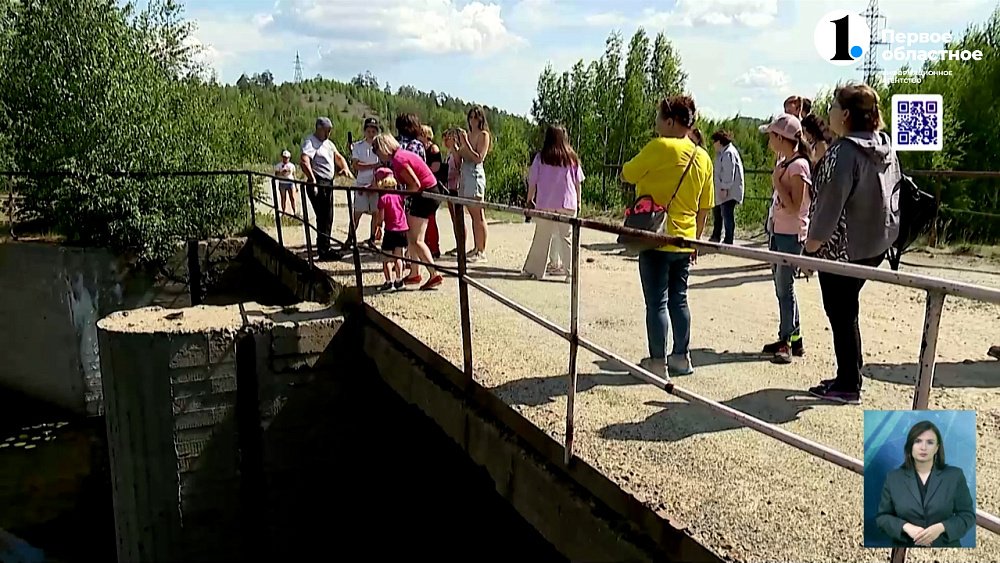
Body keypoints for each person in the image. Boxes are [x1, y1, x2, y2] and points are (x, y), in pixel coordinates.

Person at [804, 83, 901, 405]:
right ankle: (850, 375)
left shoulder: (844, 151)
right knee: (848, 309)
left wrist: (811, 248)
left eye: (833, 105)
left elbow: (830, 204)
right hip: (875, 243)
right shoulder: (884, 145)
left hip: (843, 248)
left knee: (840, 311)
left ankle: (848, 383)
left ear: (845, 114)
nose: (829, 110)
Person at [621, 95, 714, 378]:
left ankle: (656, 362)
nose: (656, 123)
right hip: (685, 240)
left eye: (659, 118)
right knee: (679, 299)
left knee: (656, 302)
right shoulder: (703, 156)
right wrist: (696, 240)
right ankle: (680, 357)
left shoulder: (660, 147)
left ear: (671, 121)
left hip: (656, 236)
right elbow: (705, 207)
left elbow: (627, 173)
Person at [759, 114, 812, 363]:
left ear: (781, 138)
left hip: (791, 233)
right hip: (779, 230)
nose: (769, 140)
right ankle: (793, 338)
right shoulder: (786, 162)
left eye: (772, 135)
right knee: (782, 288)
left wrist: (777, 183)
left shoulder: (799, 167)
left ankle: (787, 341)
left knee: (785, 288)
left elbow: (795, 206)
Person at [875, 420, 976, 548]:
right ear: (910, 446)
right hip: (906, 547)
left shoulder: (954, 476)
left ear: (937, 448)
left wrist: (941, 527)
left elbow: (967, 516)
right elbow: (882, 518)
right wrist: (906, 527)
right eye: (918, 441)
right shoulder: (893, 478)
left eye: (930, 442)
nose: (923, 447)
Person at [371, 133, 443, 290]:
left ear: (383, 148)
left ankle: (434, 273)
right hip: (428, 193)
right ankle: (414, 273)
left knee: (416, 239)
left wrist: (399, 198)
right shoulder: (401, 155)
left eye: (377, 151)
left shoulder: (399, 160)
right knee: (411, 236)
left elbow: (415, 185)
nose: (378, 155)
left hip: (425, 195)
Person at [521, 124, 583, 280]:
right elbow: (577, 183)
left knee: (542, 237)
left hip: (546, 203)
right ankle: (572, 274)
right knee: (567, 238)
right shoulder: (572, 158)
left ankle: (535, 270)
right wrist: (579, 202)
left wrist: (529, 199)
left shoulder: (541, 158)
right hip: (567, 203)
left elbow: (533, 181)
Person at [300, 117, 353, 261]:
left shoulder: (328, 144)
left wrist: (345, 168)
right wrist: (312, 179)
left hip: (327, 183)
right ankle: (323, 250)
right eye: (327, 130)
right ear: (319, 129)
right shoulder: (311, 142)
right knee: (323, 216)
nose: (329, 133)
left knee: (328, 216)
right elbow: (304, 160)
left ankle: (324, 247)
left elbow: (338, 157)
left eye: (330, 131)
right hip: (319, 182)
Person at [455, 105, 491, 263]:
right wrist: (454, 147)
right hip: (464, 174)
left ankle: (481, 250)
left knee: (478, 214)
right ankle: (476, 247)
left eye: (476, 118)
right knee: (471, 214)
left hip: (475, 175)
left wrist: (465, 143)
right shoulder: (467, 135)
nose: (472, 121)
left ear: (481, 119)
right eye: (470, 117)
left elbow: (478, 157)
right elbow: (459, 159)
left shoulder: (483, 135)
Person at [372, 168, 407, 292]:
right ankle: (399, 280)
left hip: (390, 229)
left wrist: (378, 226)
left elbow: (380, 217)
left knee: (387, 258)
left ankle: (389, 282)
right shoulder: (399, 196)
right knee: (399, 257)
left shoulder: (383, 199)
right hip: (402, 228)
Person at [350, 117, 383, 249]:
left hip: (376, 184)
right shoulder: (358, 146)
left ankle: (372, 239)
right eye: (369, 130)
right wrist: (374, 165)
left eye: (373, 131)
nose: (371, 133)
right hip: (362, 183)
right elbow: (356, 165)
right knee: (357, 213)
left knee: (375, 213)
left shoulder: (380, 148)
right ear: (365, 131)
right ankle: (350, 238)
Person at [708, 130, 744, 244]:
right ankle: (717, 235)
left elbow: (729, 173)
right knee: (719, 213)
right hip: (723, 190)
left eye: (714, 141)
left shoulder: (728, 153)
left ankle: (728, 239)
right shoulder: (723, 153)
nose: (713, 144)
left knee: (727, 215)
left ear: (719, 142)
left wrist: (724, 188)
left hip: (729, 192)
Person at [274, 150, 297, 215]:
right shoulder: (278, 165)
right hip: (282, 183)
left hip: (290, 183)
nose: (285, 159)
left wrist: (296, 185)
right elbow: (276, 174)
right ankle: (283, 212)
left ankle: (294, 212)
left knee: (292, 198)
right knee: (283, 198)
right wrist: (282, 172)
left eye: (287, 157)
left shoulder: (292, 165)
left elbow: (294, 175)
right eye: (284, 157)